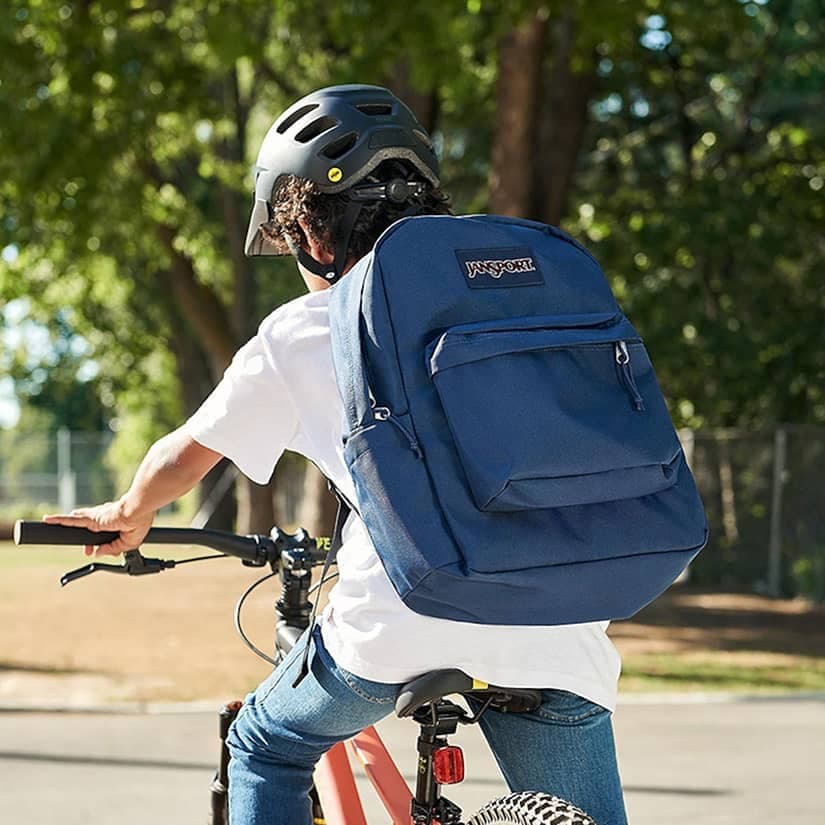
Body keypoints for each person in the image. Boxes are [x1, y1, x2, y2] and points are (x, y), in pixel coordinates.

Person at [45, 85, 628, 825]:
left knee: (265, 743)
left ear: (313, 238)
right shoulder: (533, 300)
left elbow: (184, 455)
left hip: (403, 618)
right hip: (562, 618)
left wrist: (130, 512)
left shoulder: (305, 328)